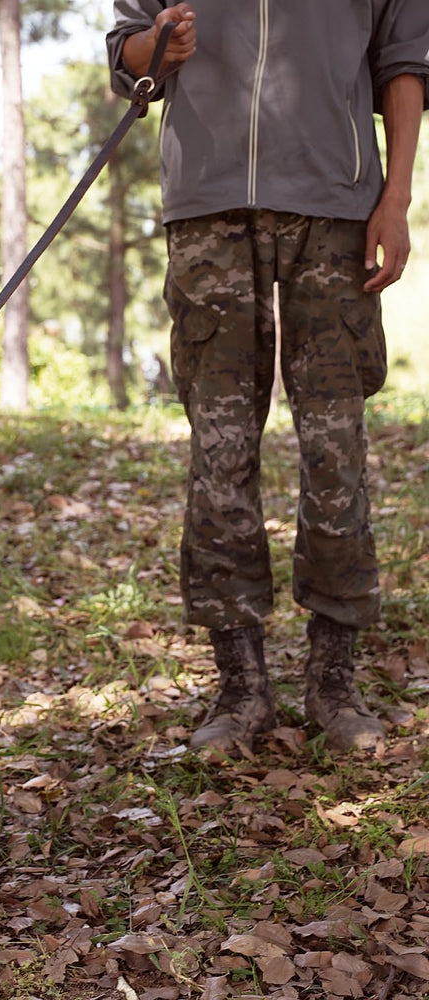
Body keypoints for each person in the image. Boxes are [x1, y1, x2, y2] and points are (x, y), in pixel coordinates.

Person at [107, 2, 429, 753]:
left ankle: (334, 680)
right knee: (219, 455)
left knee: (335, 451)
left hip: (338, 210)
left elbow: (404, 63)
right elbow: (127, 56)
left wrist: (397, 197)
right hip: (208, 210)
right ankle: (241, 687)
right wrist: (163, 45)